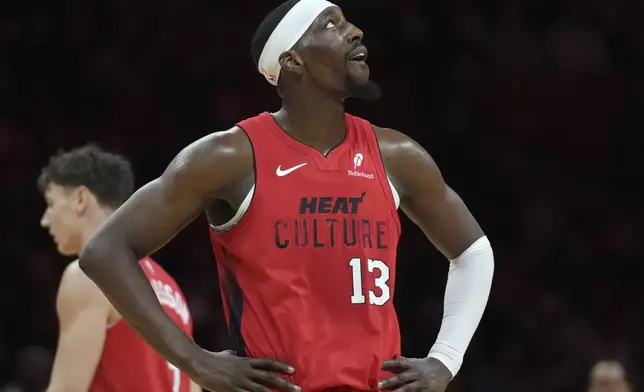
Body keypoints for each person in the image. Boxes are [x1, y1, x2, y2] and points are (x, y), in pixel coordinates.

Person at [77, 0, 495, 391]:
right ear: (291, 60)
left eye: (348, 21)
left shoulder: (396, 156)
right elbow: (106, 251)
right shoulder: (230, 155)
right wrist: (195, 361)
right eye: (330, 25)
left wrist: (445, 359)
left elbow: (473, 252)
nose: (355, 32)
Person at [38, 145, 200, 392]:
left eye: (51, 204)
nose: (45, 219)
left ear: (81, 199)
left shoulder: (88, 276)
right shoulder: (172, 289)